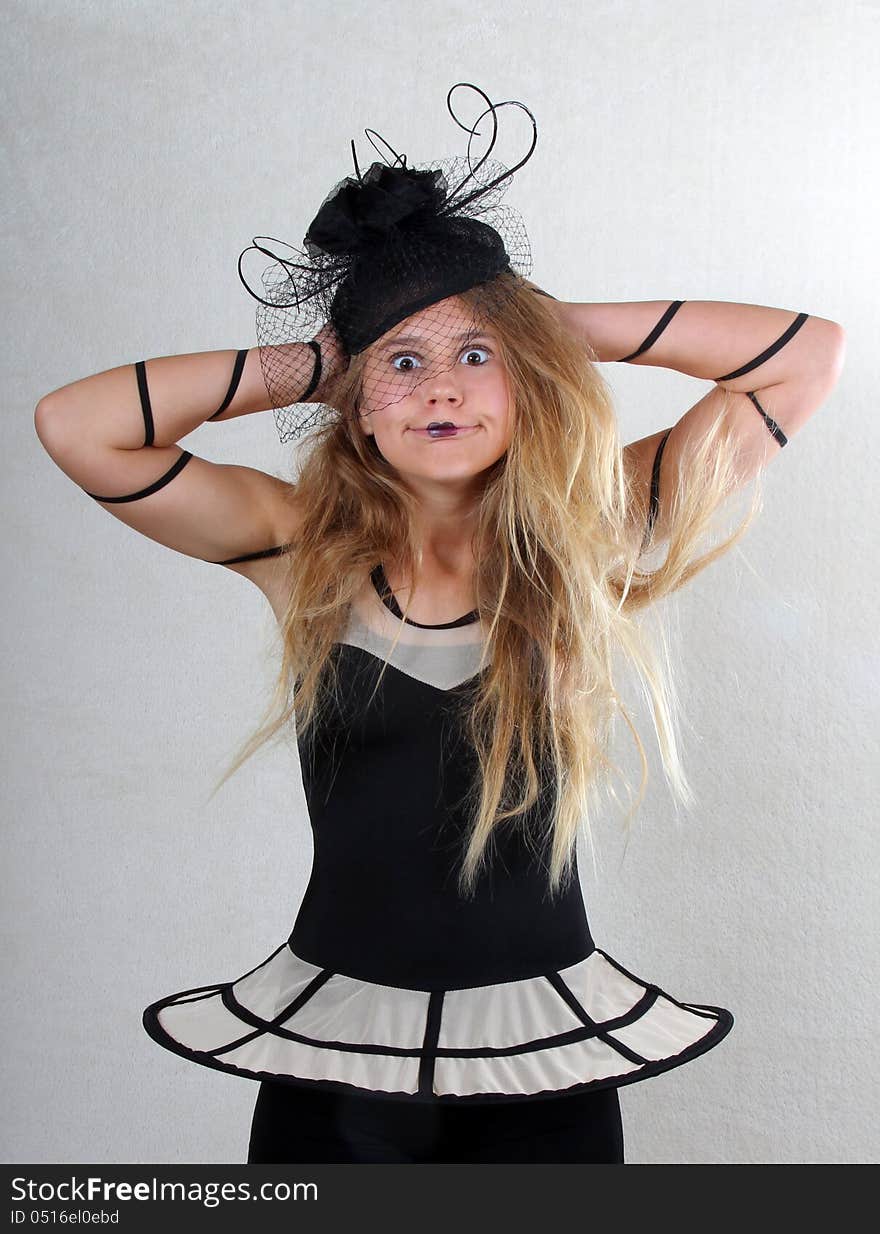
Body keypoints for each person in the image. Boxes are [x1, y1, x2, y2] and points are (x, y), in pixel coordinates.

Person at [33, 84, 845, 1164]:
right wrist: (328, 359)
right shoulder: (297, 547)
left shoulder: (595, 535)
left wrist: (543, 325)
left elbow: (806, 354)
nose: (440, 389)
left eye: (477, 358)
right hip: (334, 1067)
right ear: (357, 404)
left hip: (546, 1063)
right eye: (403, 367)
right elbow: (77, 426)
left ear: (526, 382)